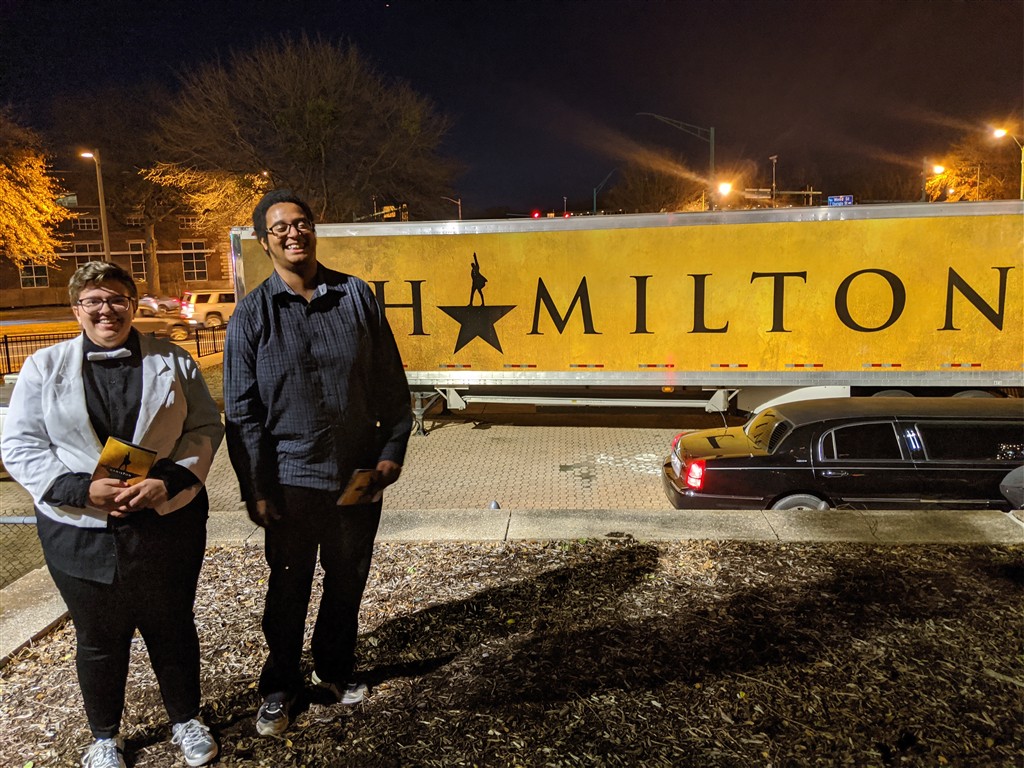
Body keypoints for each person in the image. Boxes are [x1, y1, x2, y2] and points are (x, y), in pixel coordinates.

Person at [1, 262, 223, 768]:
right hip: (80, 531)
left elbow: (205, 427)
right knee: (98, 638)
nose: (107, 310)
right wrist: (82, 490)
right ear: (76, 309)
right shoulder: (43, 366)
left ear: (133, 305)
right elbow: (20, 444)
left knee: (172, 626)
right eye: (94, 301)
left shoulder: (174, 359)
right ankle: (104, 736)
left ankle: (186, 719)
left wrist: (168, 480)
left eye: (117, 299)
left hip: (165, 520)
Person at [224, 189, 413, 737]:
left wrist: (391, 451)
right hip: (290, 480)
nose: (294, 232)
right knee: (289, 588)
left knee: (348, 579)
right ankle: (279, 686)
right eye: (280, 227)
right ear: (264, 241)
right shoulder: (252, 315)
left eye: (302, 222)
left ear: (314, 229)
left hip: (357, 476)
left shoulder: (355, 296)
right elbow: (241, 411)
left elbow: (390, 382)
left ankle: (333, 668)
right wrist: (256, 488)